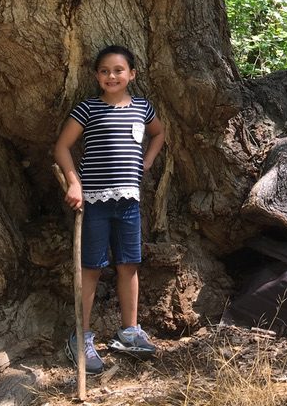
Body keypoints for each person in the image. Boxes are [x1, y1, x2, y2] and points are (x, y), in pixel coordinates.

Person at [53, 45, 166, 375]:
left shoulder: (143, 109)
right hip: (94, 202)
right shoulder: (88, 109)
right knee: (91, 267)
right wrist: (74, 184)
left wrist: (147, 161)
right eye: (104, 71)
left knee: (128, 264)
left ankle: (129, 332)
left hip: (129, 201)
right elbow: (62, 146)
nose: (112, 76)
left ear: (132, 74)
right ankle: (81, 337)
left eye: (119, 70)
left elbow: (159, 133)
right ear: (96, 76)